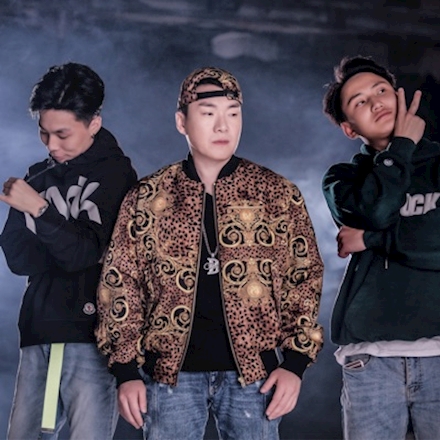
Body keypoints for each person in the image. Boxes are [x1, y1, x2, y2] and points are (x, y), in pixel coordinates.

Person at [95, 66, 324, 440]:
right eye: (208, 113)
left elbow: (304, 276)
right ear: (181, 122)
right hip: (168, 375)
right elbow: (120, 281)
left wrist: (295, 363)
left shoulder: (276, 193)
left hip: (255, 375)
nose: (223, 126)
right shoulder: (148, 197)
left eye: (233, 114)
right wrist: (124, 370)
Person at [0, 62, 137, 439]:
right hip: (40, 331)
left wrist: (40, 212)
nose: (51, 145)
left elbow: (84, 254)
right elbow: (18, 258)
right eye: (44, 133)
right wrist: (65, 242)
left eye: (62, 134)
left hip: (91, 335)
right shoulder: (35, 176)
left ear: (93, 124)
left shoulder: (117, 176)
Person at [322, 55, 440, 440]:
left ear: (399, 96)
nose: (375, 103)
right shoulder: (343, 179)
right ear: (348, 128)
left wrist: (372, 239)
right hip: (371, 361)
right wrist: (402, 145)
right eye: (359, 102)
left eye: (381, 91)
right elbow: (376, 210)